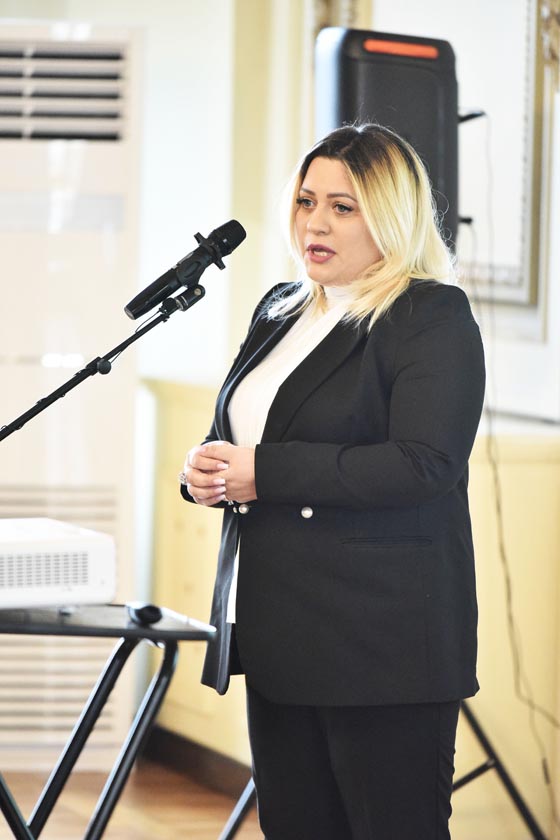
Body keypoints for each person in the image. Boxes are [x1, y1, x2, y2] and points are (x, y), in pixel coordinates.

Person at [179, 123, 485, 840]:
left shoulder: (429, 315)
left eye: (343, 207)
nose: (315, 223)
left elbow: (424, 462)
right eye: (306, 201)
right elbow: (251, 430)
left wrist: (264, 472)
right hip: (282, 631)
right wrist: (208, 470)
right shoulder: (282, 307)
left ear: (392, 216)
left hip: (382, 641)